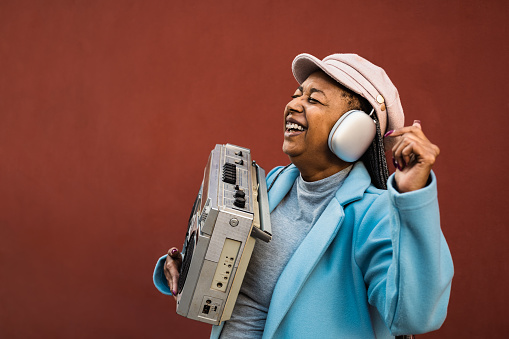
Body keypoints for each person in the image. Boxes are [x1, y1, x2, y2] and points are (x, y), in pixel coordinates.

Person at [153, 53, 454, 339]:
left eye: (313, 99)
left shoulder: (375, 216)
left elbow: (414, 314)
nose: (293, 104)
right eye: (296, 94)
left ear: (355, 130)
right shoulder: (269, 186)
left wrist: (413, 198)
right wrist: (190, 264)